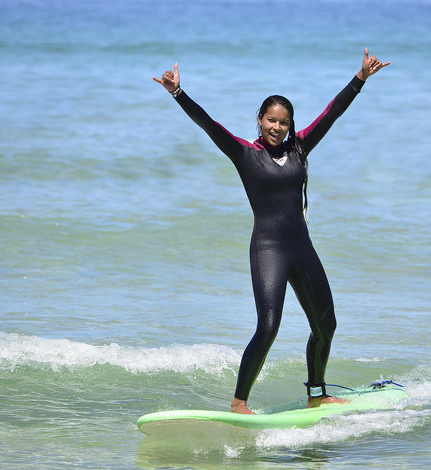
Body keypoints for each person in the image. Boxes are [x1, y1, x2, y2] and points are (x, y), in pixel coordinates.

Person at [153, 49, 390, 414]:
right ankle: (239, 402)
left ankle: (317, 394)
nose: (277, 127)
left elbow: (332, 113)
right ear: (260, 120)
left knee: (326, 325)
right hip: (269, 250)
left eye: (284, 122)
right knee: (268, 326)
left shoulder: (300, 147)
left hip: (302, 249)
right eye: (271, 120)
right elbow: (209, 124)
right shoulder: (245, 154)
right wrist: (178, 93)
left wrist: (360, 79)